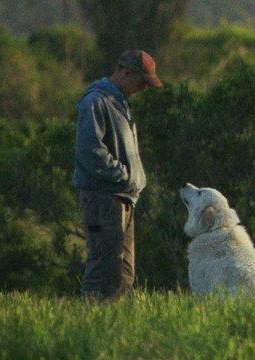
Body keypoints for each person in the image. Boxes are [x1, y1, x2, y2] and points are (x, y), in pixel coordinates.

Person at [73, 50, 163, 299]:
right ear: (125, 73)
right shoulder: (96, 101)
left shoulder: (120, 101)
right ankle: (91, 322)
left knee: (123, 271)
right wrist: (123, 175)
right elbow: (90, 151)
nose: (144, 88)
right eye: (141, 82)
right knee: (103, 266)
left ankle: (113, 322)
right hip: (103, 197)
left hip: (123, 198)